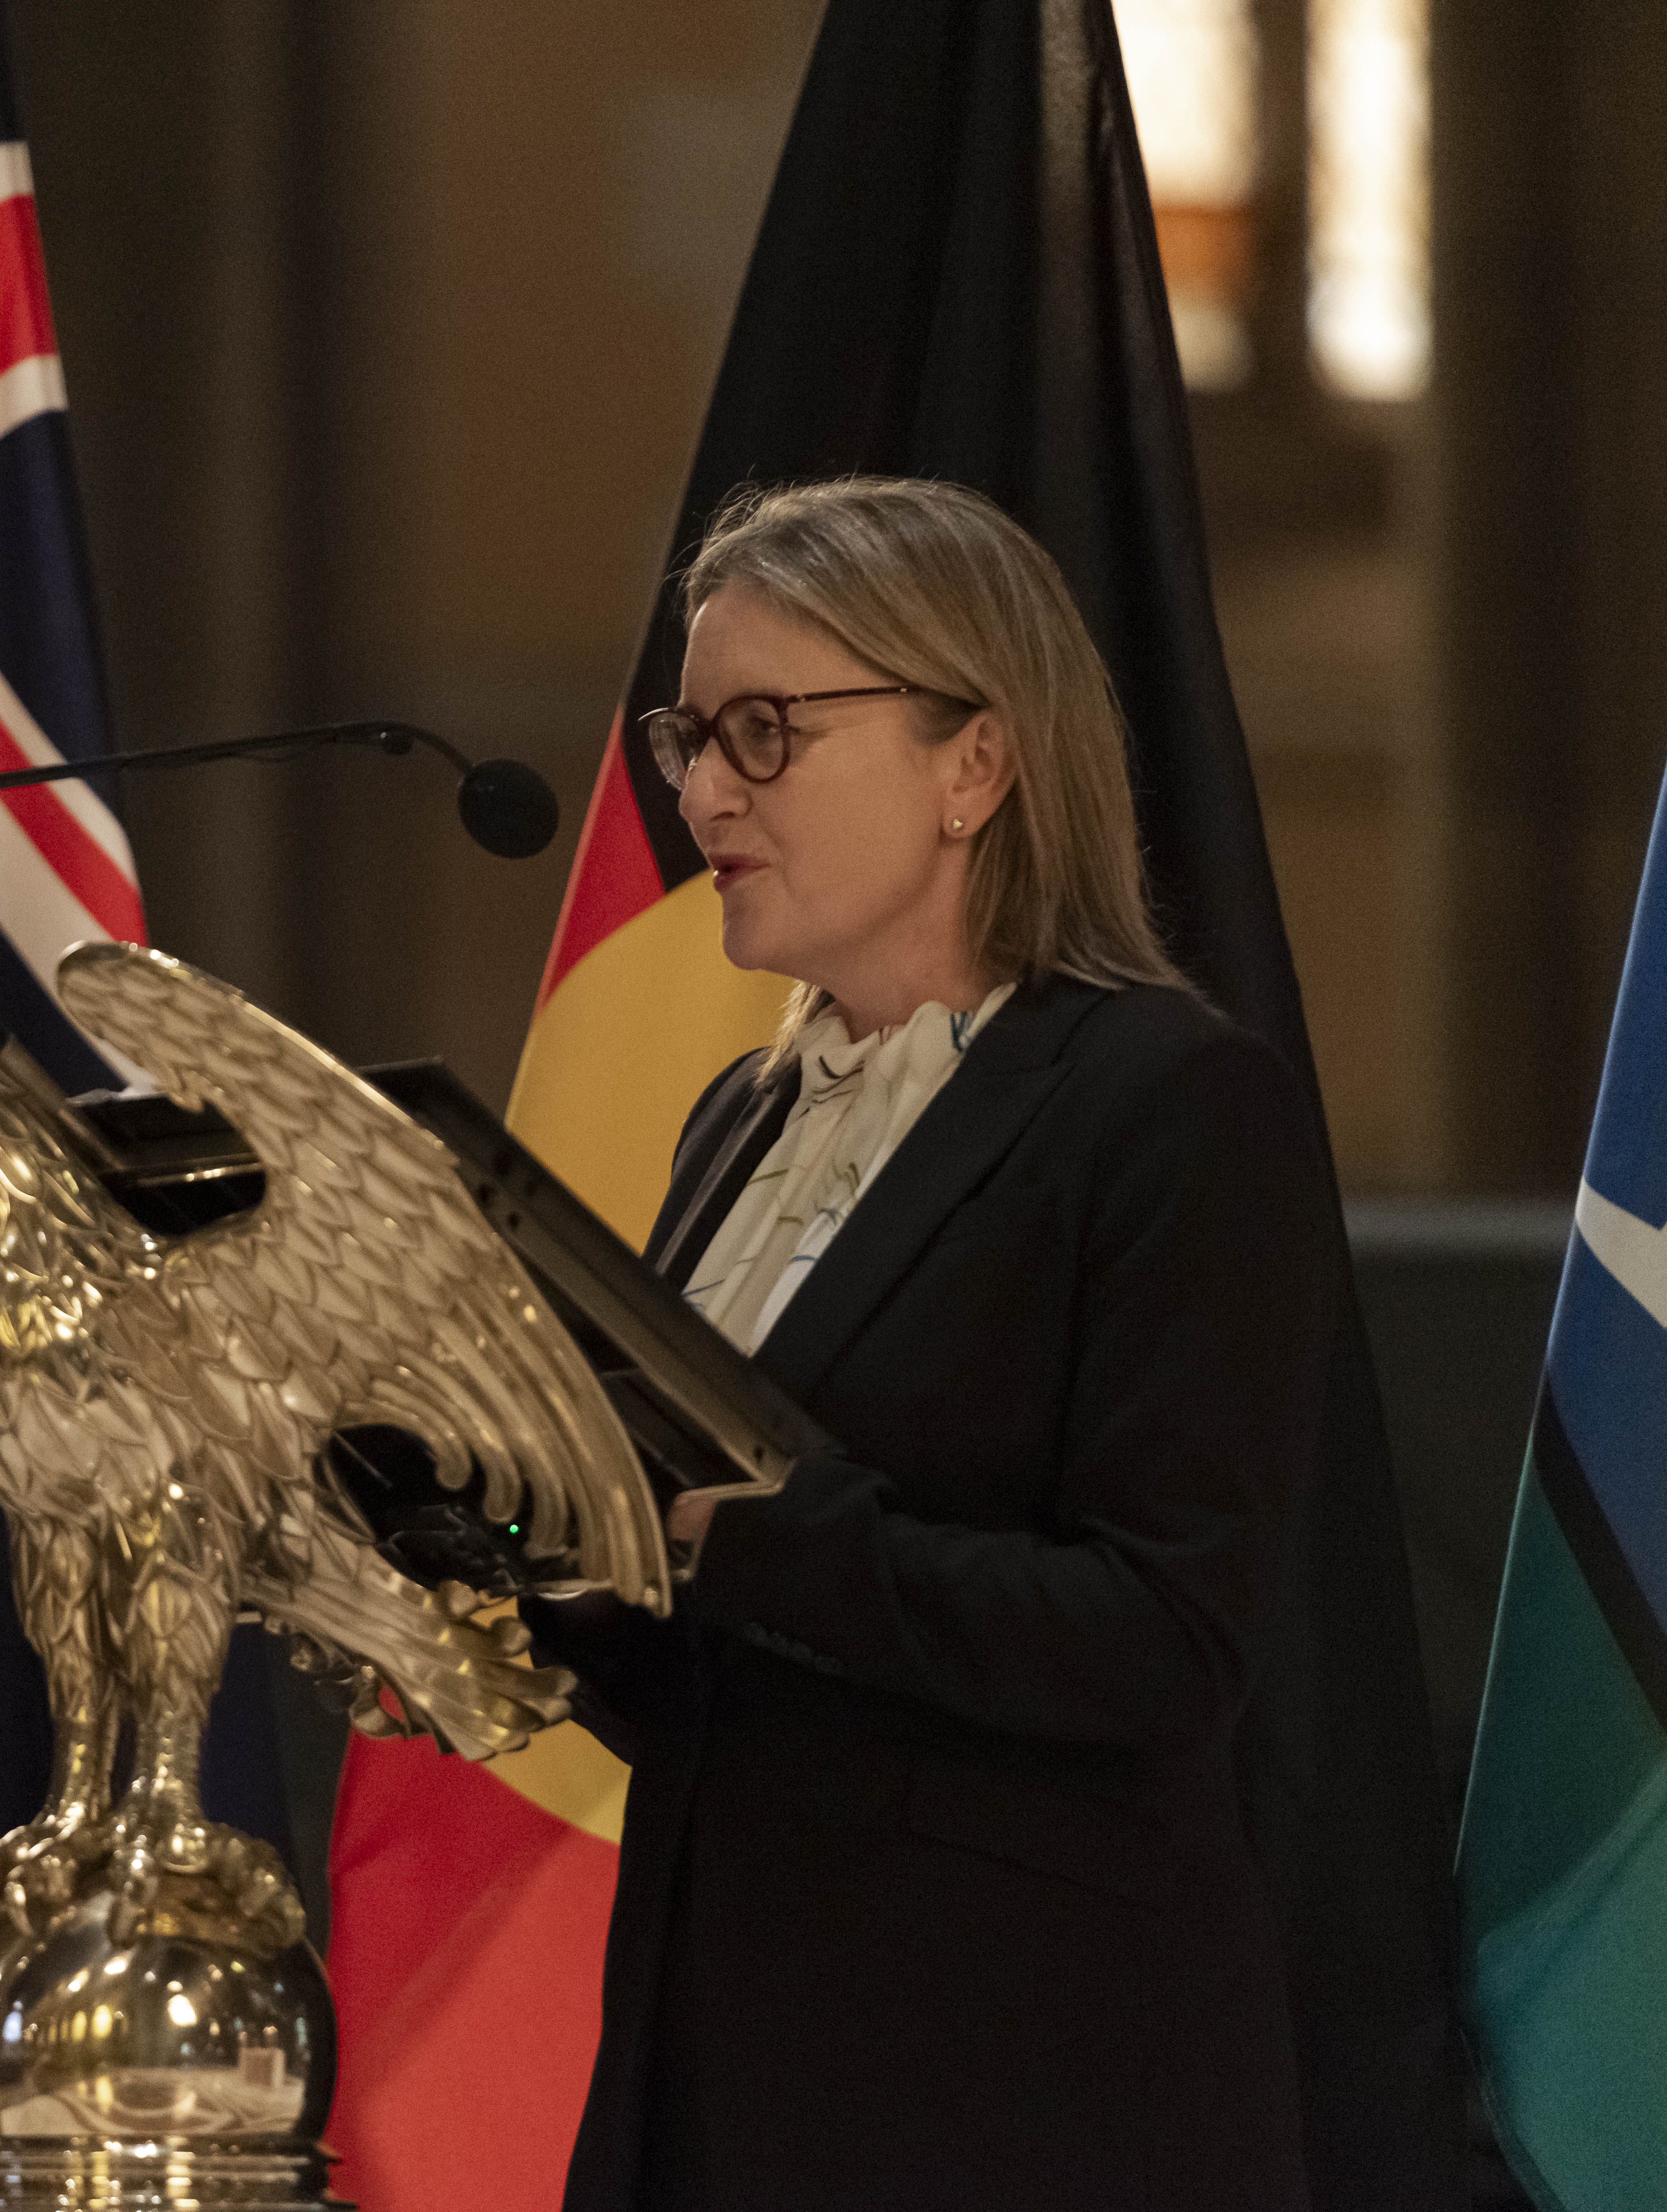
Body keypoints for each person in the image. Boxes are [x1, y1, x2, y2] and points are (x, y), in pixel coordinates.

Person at [532, 476, 1340, 2212]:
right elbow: (746, 1676)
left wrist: (739, 1531)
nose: (703, 794)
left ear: (975, 766)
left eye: (766, 732)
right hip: (724, 2068)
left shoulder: (1171, 1108)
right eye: (690, 736)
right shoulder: (734, 1122)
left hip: (1020, 2090)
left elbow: (1165, 1639)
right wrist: (535, 1582)